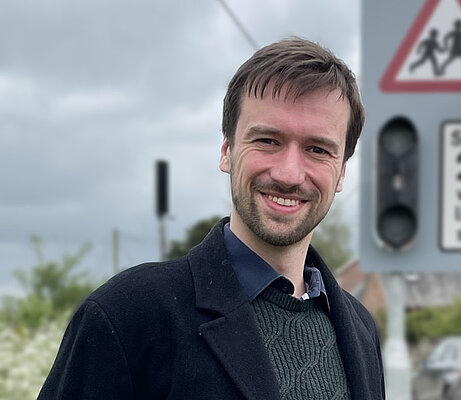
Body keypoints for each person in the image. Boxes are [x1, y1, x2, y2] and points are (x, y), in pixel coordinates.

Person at [38, 37, 385, 400]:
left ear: (342, 172)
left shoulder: (360, 330)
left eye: (317, 149)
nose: (289, 173)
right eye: (267, 140)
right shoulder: (127, 316)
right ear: (227, 151)